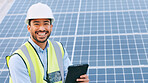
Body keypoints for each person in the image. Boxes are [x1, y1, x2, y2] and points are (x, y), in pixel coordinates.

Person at [6, 2, 89, 83]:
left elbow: (68, 77)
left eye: (46, 23)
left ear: (51, 27)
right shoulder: (18, 59)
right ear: (29, 27)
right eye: (36, 24)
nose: (42, 28)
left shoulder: (59, 49)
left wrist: (79, 81)